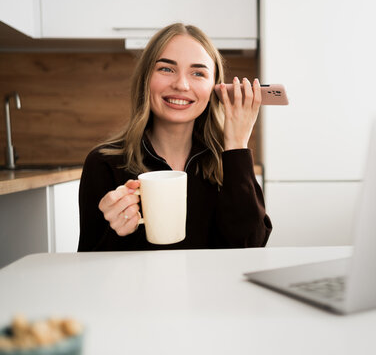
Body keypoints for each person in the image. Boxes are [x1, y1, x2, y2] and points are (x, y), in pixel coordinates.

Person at [77, 23, 272, 251]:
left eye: (198, 73)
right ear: (145, 78)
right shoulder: (103, 163)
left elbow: (251, 247)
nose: (181, 84)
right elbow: (89, 266)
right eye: (166, 69)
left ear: (214, 90)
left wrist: (237, 146)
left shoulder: (230, 163)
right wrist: (118, 231)